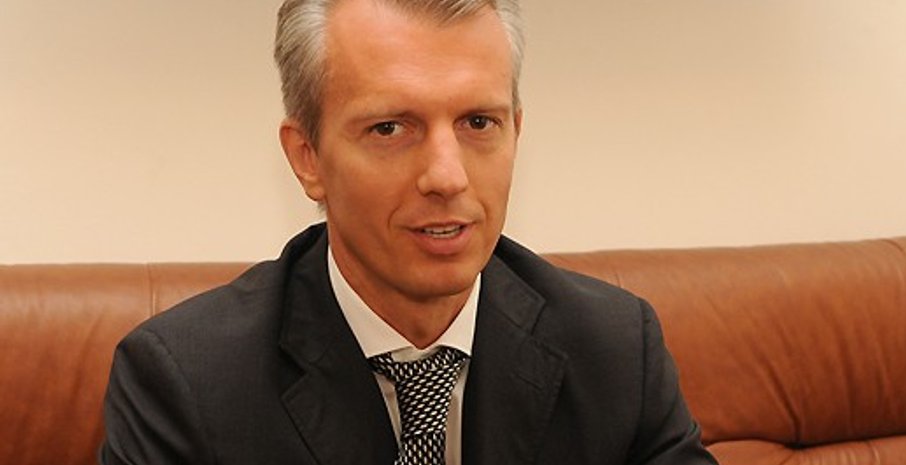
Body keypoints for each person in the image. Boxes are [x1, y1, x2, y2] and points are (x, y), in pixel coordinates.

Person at [99, 0, 718, 464]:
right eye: (390, 128)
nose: (447, 176)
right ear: (308, 158)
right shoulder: (186, 381)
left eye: (478, 122)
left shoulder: (616, 350)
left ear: (517, 131)